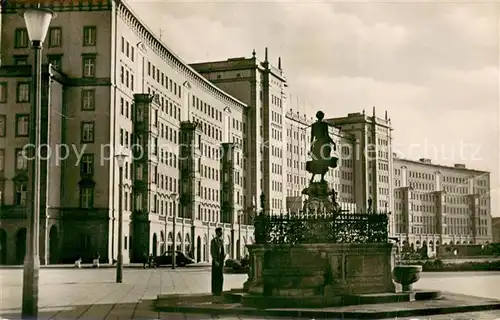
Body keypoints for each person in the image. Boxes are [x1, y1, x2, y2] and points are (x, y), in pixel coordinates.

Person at [210, 227, 225, 300]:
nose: (221, 233)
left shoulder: (221, 241)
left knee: (221, 276)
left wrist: (224, 256)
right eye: (220, 232)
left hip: (221, 261)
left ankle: (220, 290)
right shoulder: (214, 241)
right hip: (216, 261)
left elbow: (222, 250)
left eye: (222, 232)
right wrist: (215, 260)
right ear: (217, 232)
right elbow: (213, 251)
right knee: (215, 276)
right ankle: (215, 291)